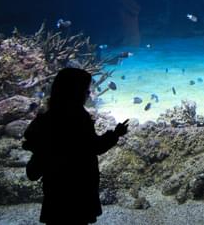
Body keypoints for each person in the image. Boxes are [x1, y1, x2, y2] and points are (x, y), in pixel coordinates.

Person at [22, 68, 129, 225]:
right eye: (86, 91)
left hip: (55, 190)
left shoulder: (48, 117)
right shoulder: (79, 117)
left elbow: (35, 142)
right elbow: (94, 147)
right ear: (75, 92)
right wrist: (115, 134)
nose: (88, 95)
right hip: (79, 189)